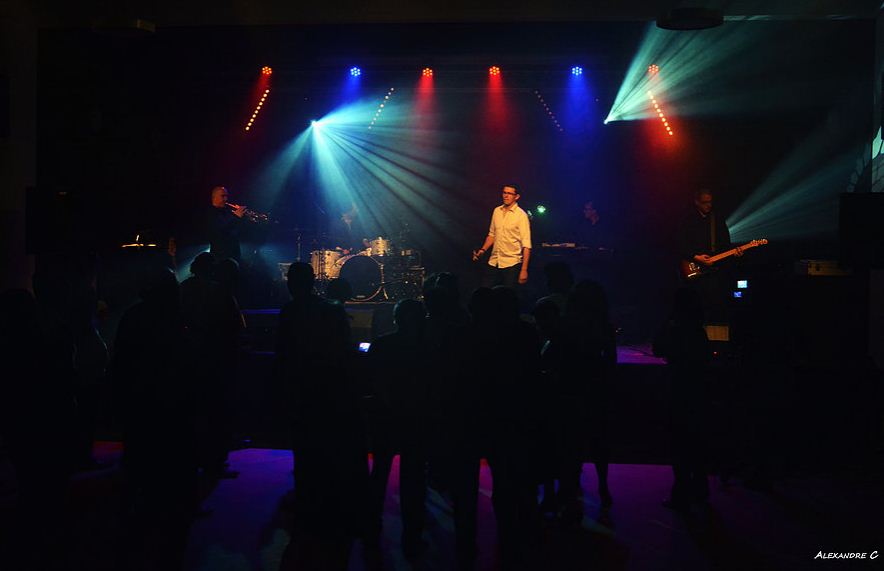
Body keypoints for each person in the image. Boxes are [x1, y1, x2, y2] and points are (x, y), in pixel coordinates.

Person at [679, 189, 738, 322]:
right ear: (697, 202)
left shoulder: (717, 220)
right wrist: (696, 257)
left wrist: (735, 253)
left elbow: (726, 245)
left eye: (710, 202)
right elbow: (680, 244)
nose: (708, 205)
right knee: (695, 305)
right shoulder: (687, 221)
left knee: (715, 304)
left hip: (714, 271)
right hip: (693, 271)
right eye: (705, 202)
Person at [472, 184, 532, 288]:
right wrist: (482, 250)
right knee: (485, 291)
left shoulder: (521, 216)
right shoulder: (497, 211)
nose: (506, 196)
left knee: (507, 296)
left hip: (512, 263)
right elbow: (492, 235)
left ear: (516, 196)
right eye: (504, 193)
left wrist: (524, 270)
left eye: (509, 193)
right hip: (494, 260)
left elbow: (526, 245)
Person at [207, 186, 246, 263]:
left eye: (226, 196)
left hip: (234, 252)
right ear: (214, 197)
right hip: (220, 255)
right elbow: (219, 231)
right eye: (223, 196)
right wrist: (236, 216)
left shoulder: (227, 211)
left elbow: (234, 229)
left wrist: (244, 217)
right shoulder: (209, 212)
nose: (226, 199)